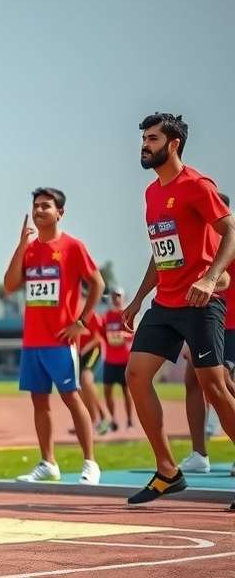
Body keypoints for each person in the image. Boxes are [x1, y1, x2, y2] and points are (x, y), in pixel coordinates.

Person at [122, 113, 235, 506]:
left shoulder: (197, 185)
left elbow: (230, 231)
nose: (144, 144)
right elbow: (160, 252)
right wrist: (137, 300)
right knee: (136, 375)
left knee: (216, 390)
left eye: (152, 138)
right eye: (143, 138)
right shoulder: (152, 194)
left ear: (173, 144)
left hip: (200, 304)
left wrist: (210, 277)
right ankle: (168, 471)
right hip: (165, 303)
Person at [3, 187, 104, 485]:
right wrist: (21, 245)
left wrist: (81, 322)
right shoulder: (30, 249)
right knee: (39, 402)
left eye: (46, 206)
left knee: (72, 398)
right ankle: (48, 463)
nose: (39, 211)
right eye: (36, 206)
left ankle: (90, 463)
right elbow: (9, 285)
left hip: (61, 341)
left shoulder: (73, 247)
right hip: (32, 340)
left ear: (60, 212)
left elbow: (97, 283)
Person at [179, 193, 235, 476]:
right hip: (204, 320)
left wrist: (212, 279)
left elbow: (224, 279)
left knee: (221, 384)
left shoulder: (228, 240)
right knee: (194, 381)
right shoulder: (198, 242)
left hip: (230, 324)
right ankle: (199, 453)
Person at [101, 287, 135, 431]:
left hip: (124, 360)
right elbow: (101, 333)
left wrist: (122, 335)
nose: (116, 299)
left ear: (123, 298)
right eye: (114, 296)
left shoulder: (125, 315)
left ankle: (129, 421)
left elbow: (133, 333)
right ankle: (113, 420)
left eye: (119, 296)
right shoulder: (106, 316)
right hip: (109, 360)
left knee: (126, 392)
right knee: (107, 391)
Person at [76, 308, 111, 435]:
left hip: (93, 350)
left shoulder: (92, 315)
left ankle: (100, 418)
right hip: (78, 353)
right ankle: (93, 419)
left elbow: (97, 338)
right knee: (77, 387)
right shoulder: (71, 313)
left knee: (86, 379)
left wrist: (82, 351)